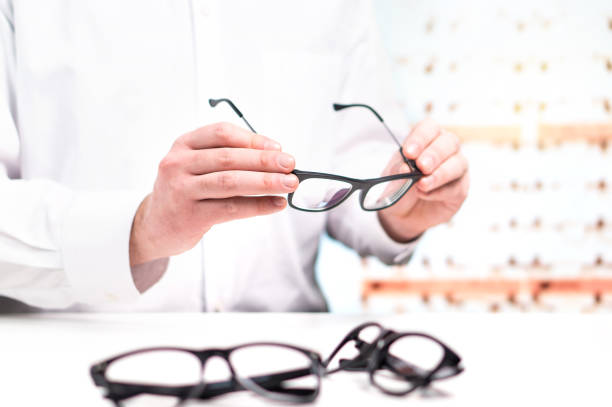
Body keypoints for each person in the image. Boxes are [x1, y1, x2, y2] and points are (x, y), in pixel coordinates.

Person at [0, 0, 469, 312]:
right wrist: (137, 232)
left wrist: (399, 207)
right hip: (69, 370)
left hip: (292, 373)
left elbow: (355, 167)